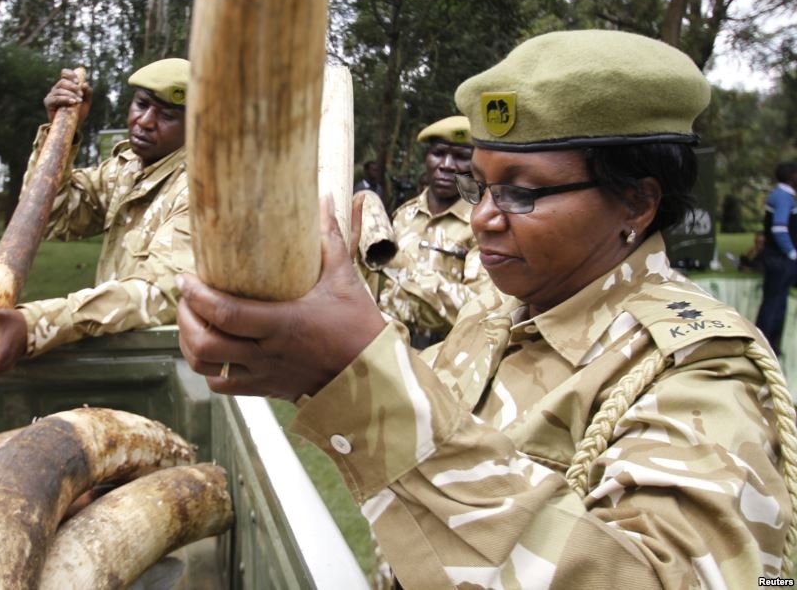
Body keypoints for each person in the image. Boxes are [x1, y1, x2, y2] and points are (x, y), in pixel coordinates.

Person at [175, 30, 796, 588]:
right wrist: (303, 358)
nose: (482, 218)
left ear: (636, 202)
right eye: (480, 187)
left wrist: (355, 376)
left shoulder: (702, 371)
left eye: (521, 193)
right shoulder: (499, 310)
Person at [0, 58, 192, 381]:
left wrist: (38, 324)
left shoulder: (203, 190)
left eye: (167, 116)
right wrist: (62, 131)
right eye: (142, 105)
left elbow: (159, 293)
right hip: (125, 363)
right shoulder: (127, 169)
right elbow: (52, 216)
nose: (145, 121)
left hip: (180, 372)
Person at [378, 116, 492, 348]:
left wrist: (406, 271)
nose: (447, 165)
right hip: (386, 343)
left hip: (445, 353)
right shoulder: (404, 215)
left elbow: (481, 309)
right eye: (438, 153)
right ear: (427, 159)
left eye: (461, 156)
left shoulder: (483, 224)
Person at [755, 161, 797, 354]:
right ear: (791, 176)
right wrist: (791, 252)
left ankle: (771, 343)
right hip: (779, 258)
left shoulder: (783, 195)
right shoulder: (782, 197)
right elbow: (779, 228)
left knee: (777, 302)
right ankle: (764, 345)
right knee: (773, 303)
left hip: (779, 258)